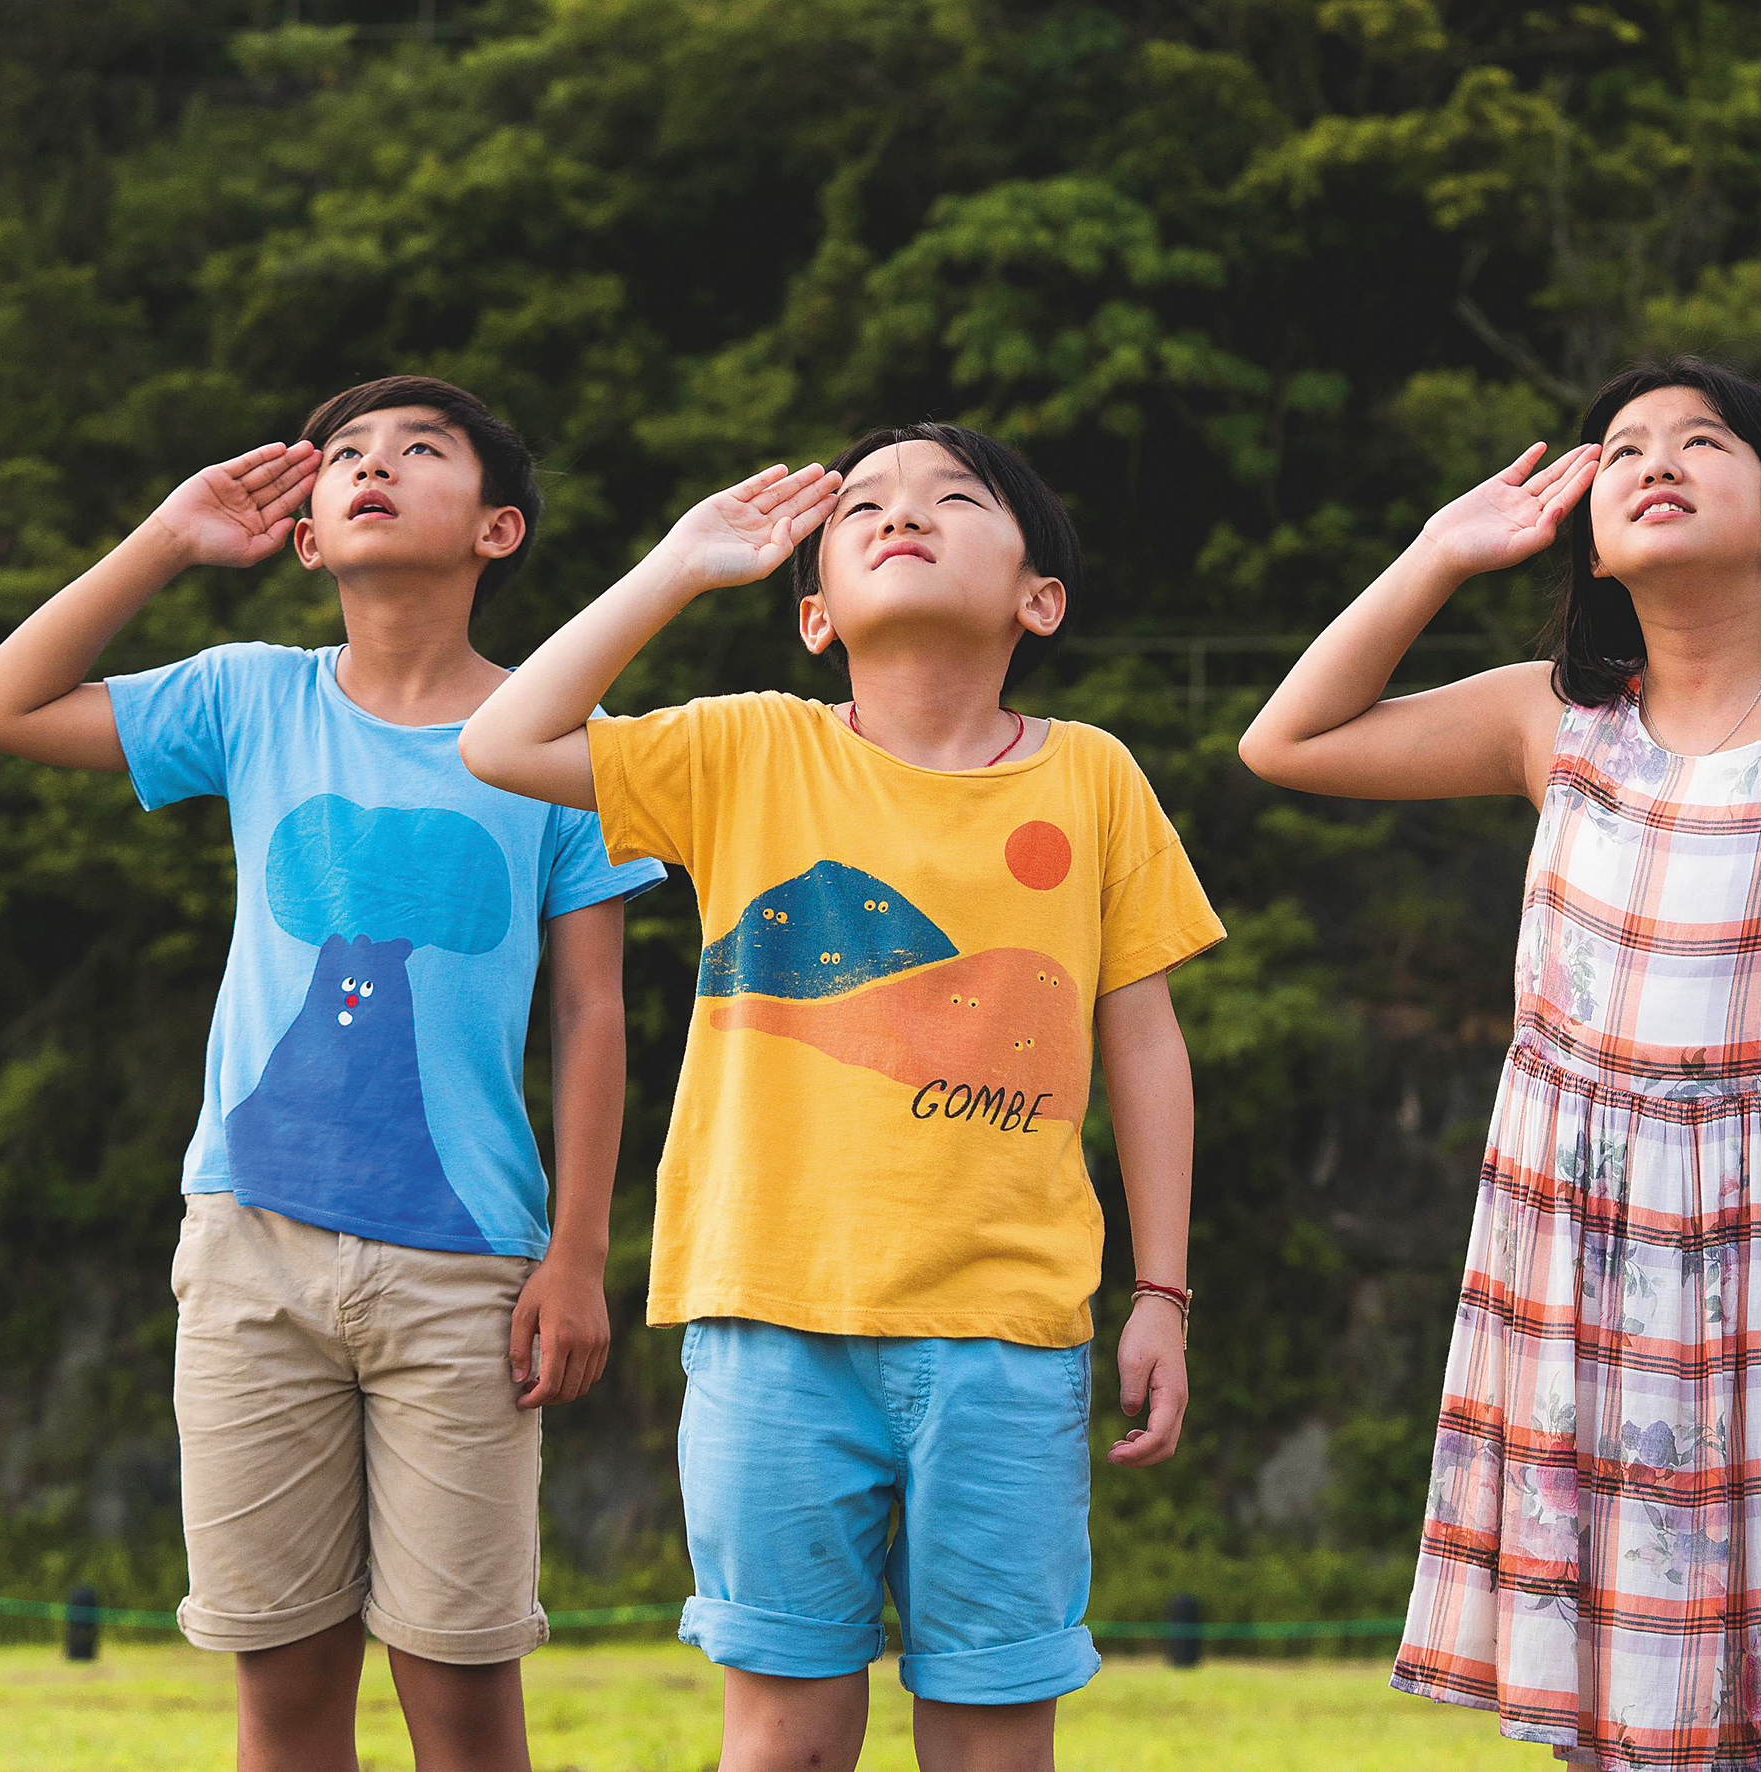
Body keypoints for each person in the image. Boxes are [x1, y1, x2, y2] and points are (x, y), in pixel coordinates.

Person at [1240, 356, 1761, 1769]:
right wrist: (1440, 553)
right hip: (1580, 1242)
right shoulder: (1552, 717)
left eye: (1704, 442)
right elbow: (1288, 740)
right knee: (1611, 1697)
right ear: (1587, 527)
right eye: (1623, 447)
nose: (1656, 459)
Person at [458, 423, 1223, 1772]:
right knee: (785, 1732)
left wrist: (1161, 1291)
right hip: (770, 1319)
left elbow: (1146, 1045)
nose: (898, 512)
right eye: (860, 503)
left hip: (1007, 1329)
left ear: (1037, 598)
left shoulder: (1095, 775)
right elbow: (503, 739)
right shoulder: (746, 749)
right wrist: (679, 569)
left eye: (953, 497)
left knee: (993, 1731)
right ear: (813, 615)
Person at [0, 375, 661, 1772]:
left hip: (469, 1277)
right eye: (344, 458)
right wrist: (164, 539)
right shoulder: (249, 698)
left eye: (420, 451)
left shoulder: (560, 744)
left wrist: (578, 1257)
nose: (371, 466)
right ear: (310, 534)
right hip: (250, 1253)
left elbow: (591, 1017)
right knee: (281, 1698)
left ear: (497, 530)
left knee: (461, 1700)